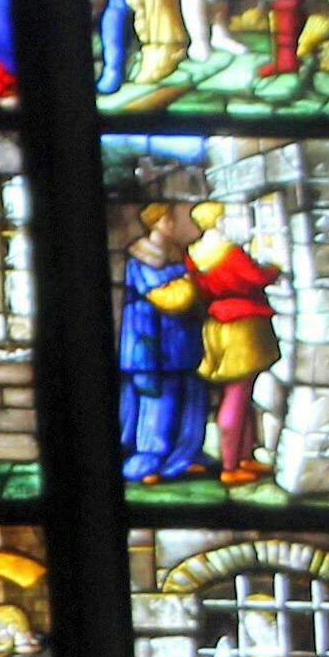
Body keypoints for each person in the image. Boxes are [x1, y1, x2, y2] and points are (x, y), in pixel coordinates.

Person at [183, 201, 284, 484]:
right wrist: (276, 266)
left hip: (216, 325)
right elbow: (257, 277)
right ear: (218, 220)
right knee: (238, 393)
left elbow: (201, 290)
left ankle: (244, 456)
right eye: (224, 217)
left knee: (242, 391)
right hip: (243, 326)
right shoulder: (229, 252)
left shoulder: (193, 254)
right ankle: (230, 465)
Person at [117, 197, 211, 484]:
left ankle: (184, 454)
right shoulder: (141, 257)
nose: (172, 224)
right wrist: (190, 284)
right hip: (151, 340)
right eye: (167, 219)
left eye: (171, 219)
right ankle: (148, 458)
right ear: (154, 222)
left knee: (189, 397)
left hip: (181, 340)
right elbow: (165, 297)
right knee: (158, 399)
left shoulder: (175, 253)